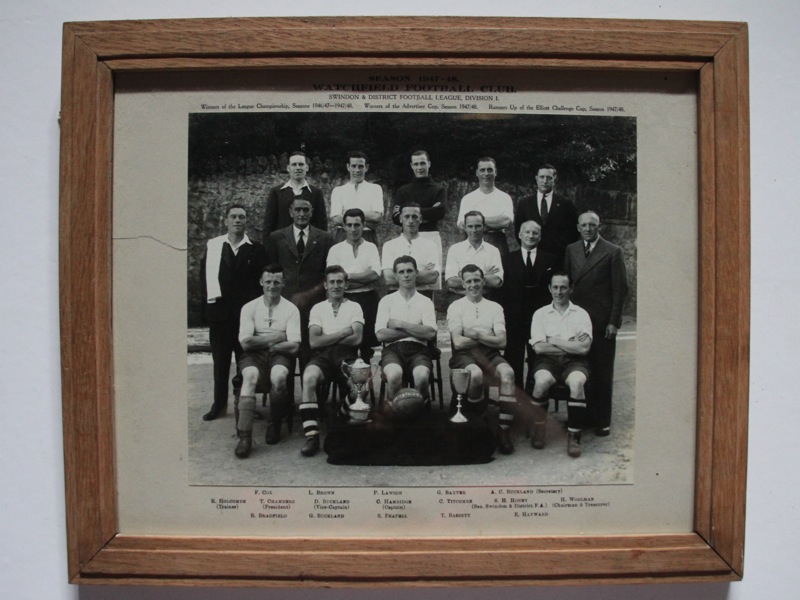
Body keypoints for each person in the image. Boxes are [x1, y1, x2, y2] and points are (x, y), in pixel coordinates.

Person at [564, 210, 629, 437]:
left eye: (592, 225)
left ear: (599, 226)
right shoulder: (571, 250)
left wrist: (614, 322)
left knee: (602, 372)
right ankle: (581, 419)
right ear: (578, 227)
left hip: (602, 323)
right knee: (581, 370)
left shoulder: (613, 251)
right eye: (584, 225)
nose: (588, 229)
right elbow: (567, 284)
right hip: (578, 321)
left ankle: (602, 421)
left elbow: (620, 290)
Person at [200, 204, 266, 421]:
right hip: (219, 315)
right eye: (234, 216)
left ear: (246, 222)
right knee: (220, 362)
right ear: (226, 221)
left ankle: (243, 404)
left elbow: (259, 286)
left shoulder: (255, 249)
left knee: (244, 362)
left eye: (242, 217)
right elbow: (204, 279)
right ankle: (219, 405)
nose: (238, 220)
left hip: (244, 317)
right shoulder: (214, 246)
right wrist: (209, 310)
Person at [446, 264, 517, 455]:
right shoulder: (455, 306)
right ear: (463, 284)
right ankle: (480, 421)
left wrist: (475, 335)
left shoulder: (495, 307)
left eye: (477, 280)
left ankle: (504, 431)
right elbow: (458, 342)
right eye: (468, 281)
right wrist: (486, 337)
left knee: (508, 374)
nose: (473, 285)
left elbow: (502, 341)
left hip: (490, 353)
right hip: (465, 355)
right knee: (475, 375)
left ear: (484, 281)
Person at [233, 265, 301, 459]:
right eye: (268, 282)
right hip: (253, 355)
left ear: (283, 284)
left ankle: (274, 423)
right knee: (250, 377)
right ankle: (245, 436)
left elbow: (294, 346)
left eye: (277, 282)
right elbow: (246, 343)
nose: (272, 286)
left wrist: (268, 344)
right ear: (261, 282)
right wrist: (278, 337)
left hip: (279, 354)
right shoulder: (249, 307)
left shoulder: (291, 309)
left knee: (279, 376)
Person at [298, 265, 364, 457]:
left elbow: (357, 339)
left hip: (348, 355)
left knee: (362, 387)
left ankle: (339, 418)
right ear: (325, 285)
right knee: (309, 377)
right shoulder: (318, 308)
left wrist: (328, 335)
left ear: (346, 284)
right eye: (332, 282)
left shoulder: (355, 307)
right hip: (323, 356)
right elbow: (314, 341)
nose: (336, 286)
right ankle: (312, 435)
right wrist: (343, 331)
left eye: (340, 282)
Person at [528, 271, 593, 457]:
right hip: (547, 361)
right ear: (549, 288)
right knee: (541, 381)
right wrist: (571, 344)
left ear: (571, 289)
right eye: (555, 287)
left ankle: (574, 436)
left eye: (563, 287)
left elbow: (583, 350)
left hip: (575, 363)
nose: (559, 291)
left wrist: (553, 339)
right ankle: (539, 429)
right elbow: (539, 349)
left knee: (577, 382)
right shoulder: (540, 314)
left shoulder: (581, 314)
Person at [265, 197, 333, 365]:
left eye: (305, 210)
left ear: (311, 212)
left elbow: (328, 274)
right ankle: (285, 391)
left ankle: (308, 390)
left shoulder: (325, 238)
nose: (301, 214)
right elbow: (272, 272)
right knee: (285, 351)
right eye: (297, 210)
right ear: (290, 212)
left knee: (309, 352)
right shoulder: (276, 237)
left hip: (313, 303)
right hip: (285, 302)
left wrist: (310, 294)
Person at [497, 220, 558, 399]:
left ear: (540, 236)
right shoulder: (507, 259)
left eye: (535, 233)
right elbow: (502, 291)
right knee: (513, 359)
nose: (531, 236)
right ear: (520, 235)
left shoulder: (550, 259)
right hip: (514, 318)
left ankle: (534, 399)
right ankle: (514, 401)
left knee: (537, 360)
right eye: (527, 232)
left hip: (540, 320)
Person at [375, 256, 438, 406]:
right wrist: (416, 329)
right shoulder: (387, 301)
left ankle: (419, 413)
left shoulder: (425, 301)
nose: (406, 275)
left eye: (409, 271)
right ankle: (394, 413)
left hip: (419, 350)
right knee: (394, 375)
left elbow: (430, 334)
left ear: (416, 273)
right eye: (401, 272)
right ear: (395, 275)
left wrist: (400, 324)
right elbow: (380, 334)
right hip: (392, 350)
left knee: (422, 377)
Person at [326, 208, 381, 359]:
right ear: (343, 226)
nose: (353, 229)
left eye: (356, 225)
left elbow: (375, 274)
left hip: (368, 300)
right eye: (349, 225)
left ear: (363, 225)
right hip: (344, 300)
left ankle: (364, 377)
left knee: (366, 348)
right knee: (345, 345)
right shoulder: (335, 250)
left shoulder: (371, 248)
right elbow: (333, 278)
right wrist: (361, 279)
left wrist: (347, 277)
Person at [514, 163, 579, 264]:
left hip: (558, 257)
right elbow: (518, 230)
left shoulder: (565, 203)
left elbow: (574, 232)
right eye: (542, 177)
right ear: (536, 178)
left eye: (549, 178)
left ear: (554, 179)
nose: (545, 181)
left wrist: (561, 248)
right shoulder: (524, 203)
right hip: (531, 257)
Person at [390, 149, 446, 269]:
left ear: (429, 164)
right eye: (416, 164)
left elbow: (440, 212)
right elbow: (395, 217)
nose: (419, 167)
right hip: (407, 238)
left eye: (422, 163)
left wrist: (407, 213)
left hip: (431, 235)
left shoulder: (439, 190)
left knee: (430, 277)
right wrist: (429, 211)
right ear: (411, 166)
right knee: (407, 275)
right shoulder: (403, 190)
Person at [457, 157, 514, 254]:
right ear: (477, 173)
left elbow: (506, 221)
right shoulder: (468, 198)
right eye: (482, 170)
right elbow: (462, 224)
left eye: (490, 170)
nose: (486, 174)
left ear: (495, 172)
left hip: (497, 242)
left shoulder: (504, 197)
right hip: (473, 243)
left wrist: (476, 222)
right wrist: (494, 223)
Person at [381, 203, 441, 295]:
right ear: (400, 218)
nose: (411, 220)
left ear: (420, 219)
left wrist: (400, 275)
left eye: (414, 217)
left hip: (423, 295)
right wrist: (422, 274)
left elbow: (432, 277)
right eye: (407, 216)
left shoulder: (431, 246)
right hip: (395, 296)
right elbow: (388, 278)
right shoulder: (389, 245)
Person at [263, 150, 327, 235]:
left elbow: (321, 226)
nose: (298, 168)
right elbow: (268, 226)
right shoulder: (276, 192)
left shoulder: (316, 193)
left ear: (306, 167)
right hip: (282, 245)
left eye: (301, 164)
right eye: (294, 164)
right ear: (288, 168)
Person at [329, 151, 384, 244]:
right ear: (348, 167)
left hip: (367, 236)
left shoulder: (375, 189)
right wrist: (365, 219)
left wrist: (347, 215)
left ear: (366, 167)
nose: (357, 170)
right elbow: (336, 218)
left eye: (361, 166)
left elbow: (377, 216)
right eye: (354, 166)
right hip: (343, 236)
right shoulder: (338, 190)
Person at [444, 211, 503, 295]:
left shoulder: (493, 250)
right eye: (470, 226)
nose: (474, 230)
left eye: (478, 226)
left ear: (484, 227)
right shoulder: (454, 249)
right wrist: (484, 275)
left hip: (486, 300)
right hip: (461, 301)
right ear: (465, 227)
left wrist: (463, 279)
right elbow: (451, 282)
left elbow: (496, 281)